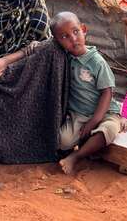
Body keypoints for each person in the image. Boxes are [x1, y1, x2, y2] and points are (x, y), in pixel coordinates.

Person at [50, 12, 123, 175]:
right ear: (58, 42)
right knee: (63, 141)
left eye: (75, 32)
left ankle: (76, 156)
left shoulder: (96, 62)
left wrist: (95, 120)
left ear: (84, 30)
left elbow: (107, 92)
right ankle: (84, 146)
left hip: (105, 112)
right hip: (79, 114)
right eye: (65, 37)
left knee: (109, 129)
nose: (73, 39)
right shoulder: (64, 58)